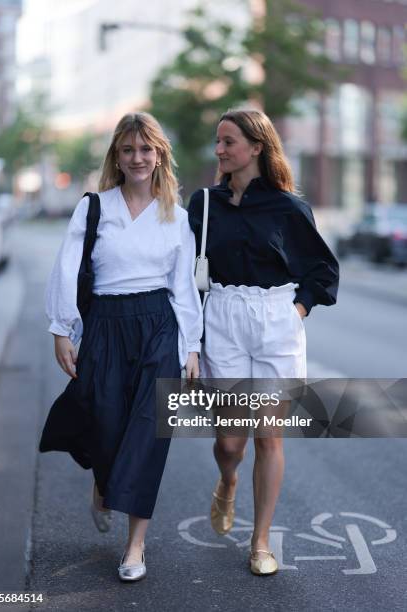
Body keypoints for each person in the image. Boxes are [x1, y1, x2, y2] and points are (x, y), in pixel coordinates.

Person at [40, 112, 203, 582]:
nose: (137, 157)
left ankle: (135, 547)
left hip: (158, 327)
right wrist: (60, 329)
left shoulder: (176, 215)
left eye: (146, 149)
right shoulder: (94, 207)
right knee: (107, 427)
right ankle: (102, 483)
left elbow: (183, 288)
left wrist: (190, 346)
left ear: (159, 155)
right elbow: (67, 268)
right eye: (128, 149)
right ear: (117, 155)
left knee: (149, 435)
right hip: (106, 326)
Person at [188, 108, 339, 576]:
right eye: (218, 141)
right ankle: (228, 479)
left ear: (256, 147)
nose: (220, 150)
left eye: (228, 141)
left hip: (275, 320)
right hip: (225, 319)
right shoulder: (204, 204)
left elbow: (322, 272)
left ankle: (260, 542)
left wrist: (294, 312)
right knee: (231, 442)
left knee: (269, 438)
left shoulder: (289, 208)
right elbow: (180, 269)